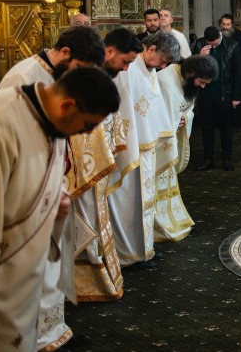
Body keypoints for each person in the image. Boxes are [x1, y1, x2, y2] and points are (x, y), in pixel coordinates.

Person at [0, 67, 119, 352]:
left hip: (20, 282)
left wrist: (55, 201)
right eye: (86, 126)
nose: (83, 135)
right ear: (68, 105)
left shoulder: (51, 119)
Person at [0, 26, 107, 352]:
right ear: (64, 52)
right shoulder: (23, 77)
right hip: (26, 189)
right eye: (79, 69)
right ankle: (36, 338)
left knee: (53, 258)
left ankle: (53, 329)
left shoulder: (54, 75)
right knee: (35, 264)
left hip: (50, 179)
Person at [73, 29, 143, 303]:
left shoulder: (101, 76)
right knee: (85, 221)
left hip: (97, 164)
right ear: (110, 51)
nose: (126, 69)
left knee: (97, 218)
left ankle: (103, 275)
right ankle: (87, 281)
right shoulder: (84, 77)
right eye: (125, 62)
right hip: (82, 170)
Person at [106, 32, 179, 268]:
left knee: (145, 201)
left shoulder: (148, 69)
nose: (164, 66)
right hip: (130, 147)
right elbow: (124, 108)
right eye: (163, 60)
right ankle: (129, 253)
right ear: (151, 49)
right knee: (129, 201)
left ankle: (143, 248)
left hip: (146, 146)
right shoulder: (129, 69)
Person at [155, 55, 218, 241]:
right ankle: (158, 222)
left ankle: (170, 218)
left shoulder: (186, 80)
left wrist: (185, 118)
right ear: (191, 73)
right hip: (159, 144)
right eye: (202, 81)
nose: (203, 86)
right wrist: (176, 120)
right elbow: (161, 113)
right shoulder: (166, 81)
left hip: (172, 137)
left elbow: (186, 107)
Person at [192, 26, 241, 171]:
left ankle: (227, 159)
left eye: (214, 43)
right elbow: (190, 67)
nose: (212, 46)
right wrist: (199, 54)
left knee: (226, 128)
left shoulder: (232, 46)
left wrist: (237, 96)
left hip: (225, 93)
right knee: (207, 128)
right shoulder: (200, 44)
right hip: (205, 93)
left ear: (219, 37)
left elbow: (238, 72)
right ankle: (208, 159)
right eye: (210, 43)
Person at [218, 14, 241, 126]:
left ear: (232, 24)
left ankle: (239, 121)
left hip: (238, 72)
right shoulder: (218, 35)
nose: (225, 27)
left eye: (228, 24)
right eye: (223, 24)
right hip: (222, 73)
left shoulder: (239, 36)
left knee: (239, 97)